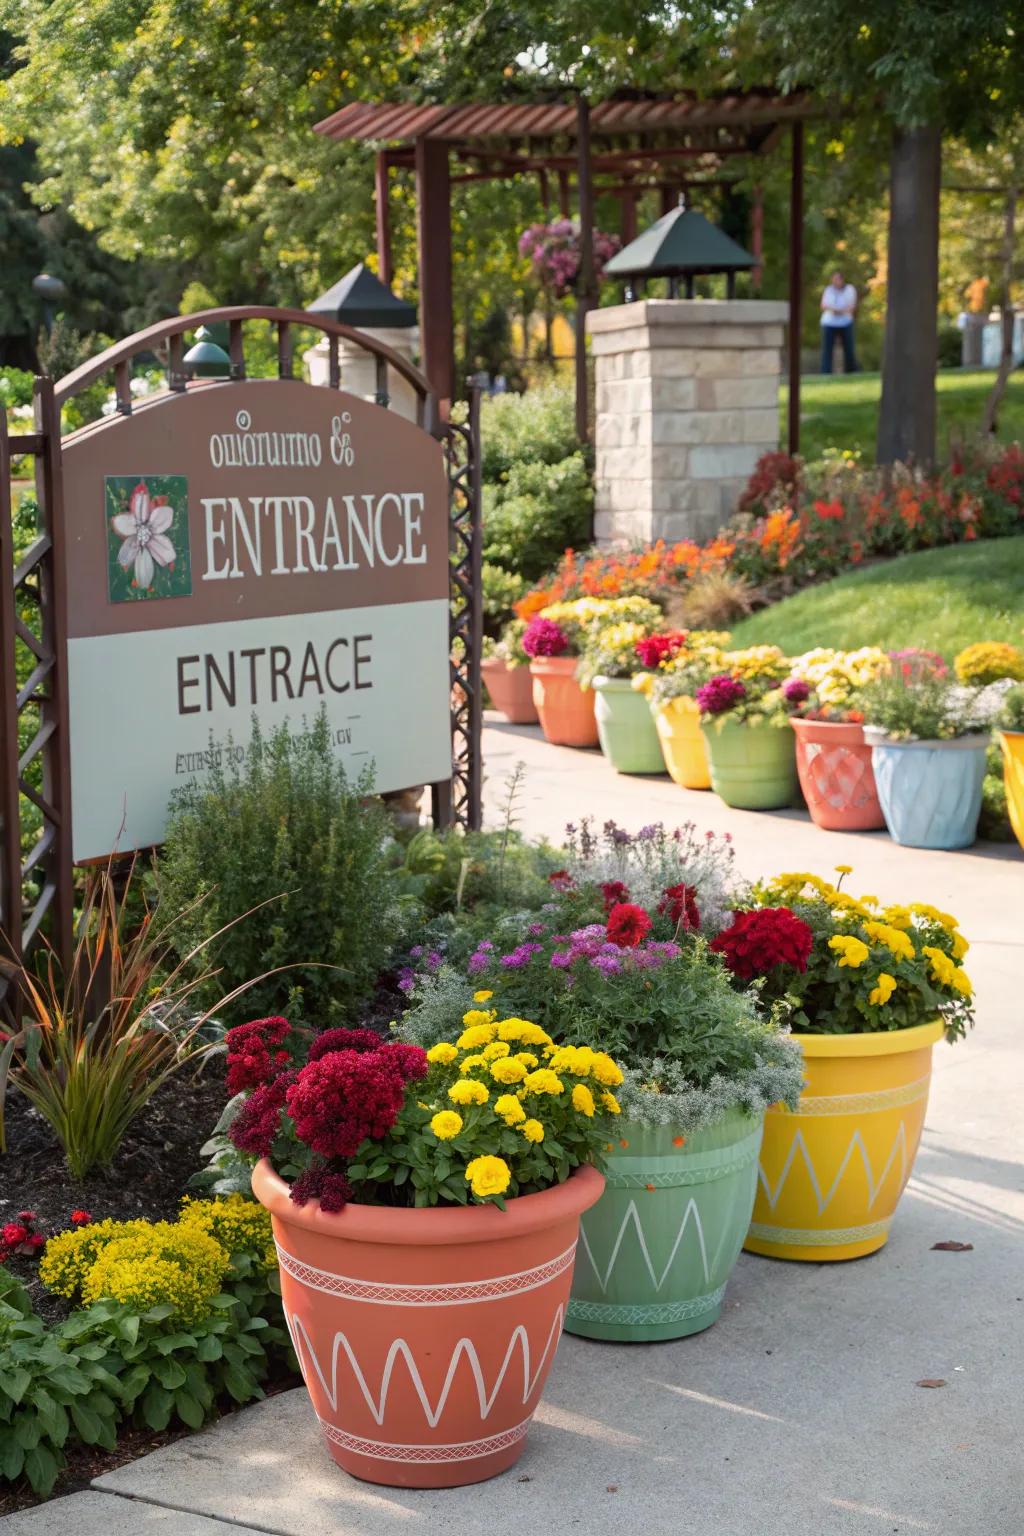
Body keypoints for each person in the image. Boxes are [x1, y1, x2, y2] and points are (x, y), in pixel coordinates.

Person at [820, 270, 859, 373]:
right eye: (834, 279)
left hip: (846, 322)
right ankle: (825, 372)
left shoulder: (850, 289)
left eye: (837, 279)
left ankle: (851, 371)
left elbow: (851, 307)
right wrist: (841, 310)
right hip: (829, 323)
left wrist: (836, 310)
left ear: (842, 280)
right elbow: (824, 306)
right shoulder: (828, 290)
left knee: (849, 349)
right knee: (827, 350)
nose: (835, 281)